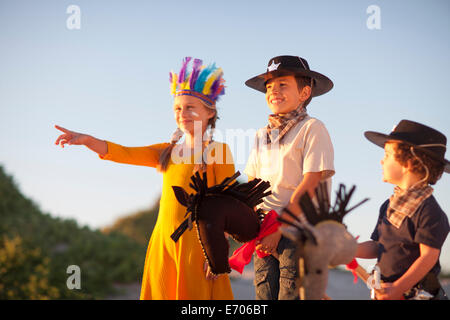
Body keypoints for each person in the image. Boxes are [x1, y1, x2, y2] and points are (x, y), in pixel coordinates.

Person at [54, 57, 235, 300]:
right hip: (163, 241)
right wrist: (88, 140)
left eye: (191, 107)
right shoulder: (167, 151)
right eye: (178, 109)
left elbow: (228, 204)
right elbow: (125, 152)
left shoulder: (218, 151)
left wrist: (217, 253)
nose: (183, 114)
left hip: (198, 244)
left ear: (210, 111)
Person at [243, 55, 335, 300]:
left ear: (305, 93)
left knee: (291, 295)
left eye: (283, 84)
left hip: (298, 229)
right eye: (269, 86)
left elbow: (311, 183)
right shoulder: (262, 134)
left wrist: (280, 226)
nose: (274, 91)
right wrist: (256, 225)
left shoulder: (312, 128)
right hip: (265, 229)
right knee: (264, 295)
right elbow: (253, 183)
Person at [356, 120, 450, 300]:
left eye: (387, 155)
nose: (382, 160)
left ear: (409, 162)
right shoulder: (389, 205)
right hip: (388, 291)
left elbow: (428, 258)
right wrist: (349, 249)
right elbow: (377, 246)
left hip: (417, 295)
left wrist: (399, 287)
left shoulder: (429, 211)